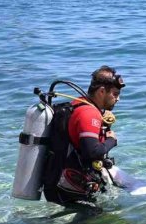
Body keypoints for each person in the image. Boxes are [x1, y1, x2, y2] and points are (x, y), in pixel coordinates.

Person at [42, 66, 124, 211]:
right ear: (102, 91)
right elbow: (92, 152)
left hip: (60, 182)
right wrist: (112, 140)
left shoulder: (79, 103)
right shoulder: (89, 113)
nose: (118, 99)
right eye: (115, 94)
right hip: (69, 186)